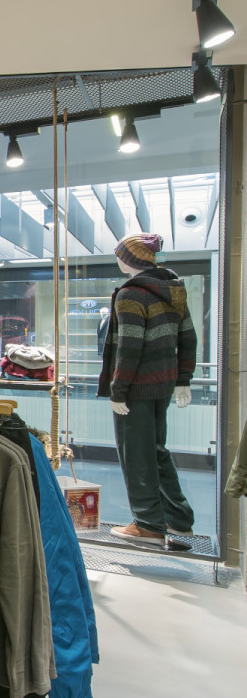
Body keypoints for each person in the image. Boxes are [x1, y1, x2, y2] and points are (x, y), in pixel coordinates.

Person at [97, 232, 197, 548]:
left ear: (129, 259)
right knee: (156, 450)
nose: (118, 259)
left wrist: (118, 390)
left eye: (120, 254)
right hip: (163, 383)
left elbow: (129, 346)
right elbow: (188, 337)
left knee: (136, 454)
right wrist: (183, 380)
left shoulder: (130, 294)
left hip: (136, 387)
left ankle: (148, 524)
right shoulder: (174, 289)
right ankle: (178, 518)